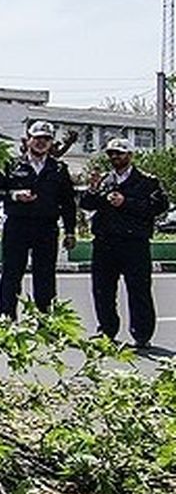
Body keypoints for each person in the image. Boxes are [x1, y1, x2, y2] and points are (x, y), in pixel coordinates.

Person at [79, 137, 169, 349]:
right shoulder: (104, 180)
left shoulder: (147, 181)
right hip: (105, 243)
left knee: (139, 290)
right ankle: (106, 330)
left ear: (130, 155)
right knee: (102, 289)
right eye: (111, 153)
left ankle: (142, 334)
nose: (115, 157)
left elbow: (159, 206)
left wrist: (126, 202)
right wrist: (92, 190)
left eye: (119, 153)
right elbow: (87, 205)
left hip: (134, 243)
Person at [0, 120, 76, 319]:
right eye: (37, 138)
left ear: (51, 143)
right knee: (11, 273)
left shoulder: (59, 169)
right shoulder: (10, 164)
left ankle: (45, 319)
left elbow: (68, 203)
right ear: (28, 140)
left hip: (46, 228)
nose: (41, 143)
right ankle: (6, 318)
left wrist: (70, 231)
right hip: (17, 226)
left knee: (45, 276)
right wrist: (14, 195)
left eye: (46, 139)